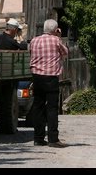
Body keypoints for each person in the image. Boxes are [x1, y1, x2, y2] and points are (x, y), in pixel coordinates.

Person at [29, 18, 69, 147]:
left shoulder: (34, 40)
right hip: (51, 77)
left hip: (37, 77)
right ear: (55, 29)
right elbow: (65, 53)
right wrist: (58, 36)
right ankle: (53, 139)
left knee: (38, 107)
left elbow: (30, 52)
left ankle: (38, 138)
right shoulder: (56, 40)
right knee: (52, 109)